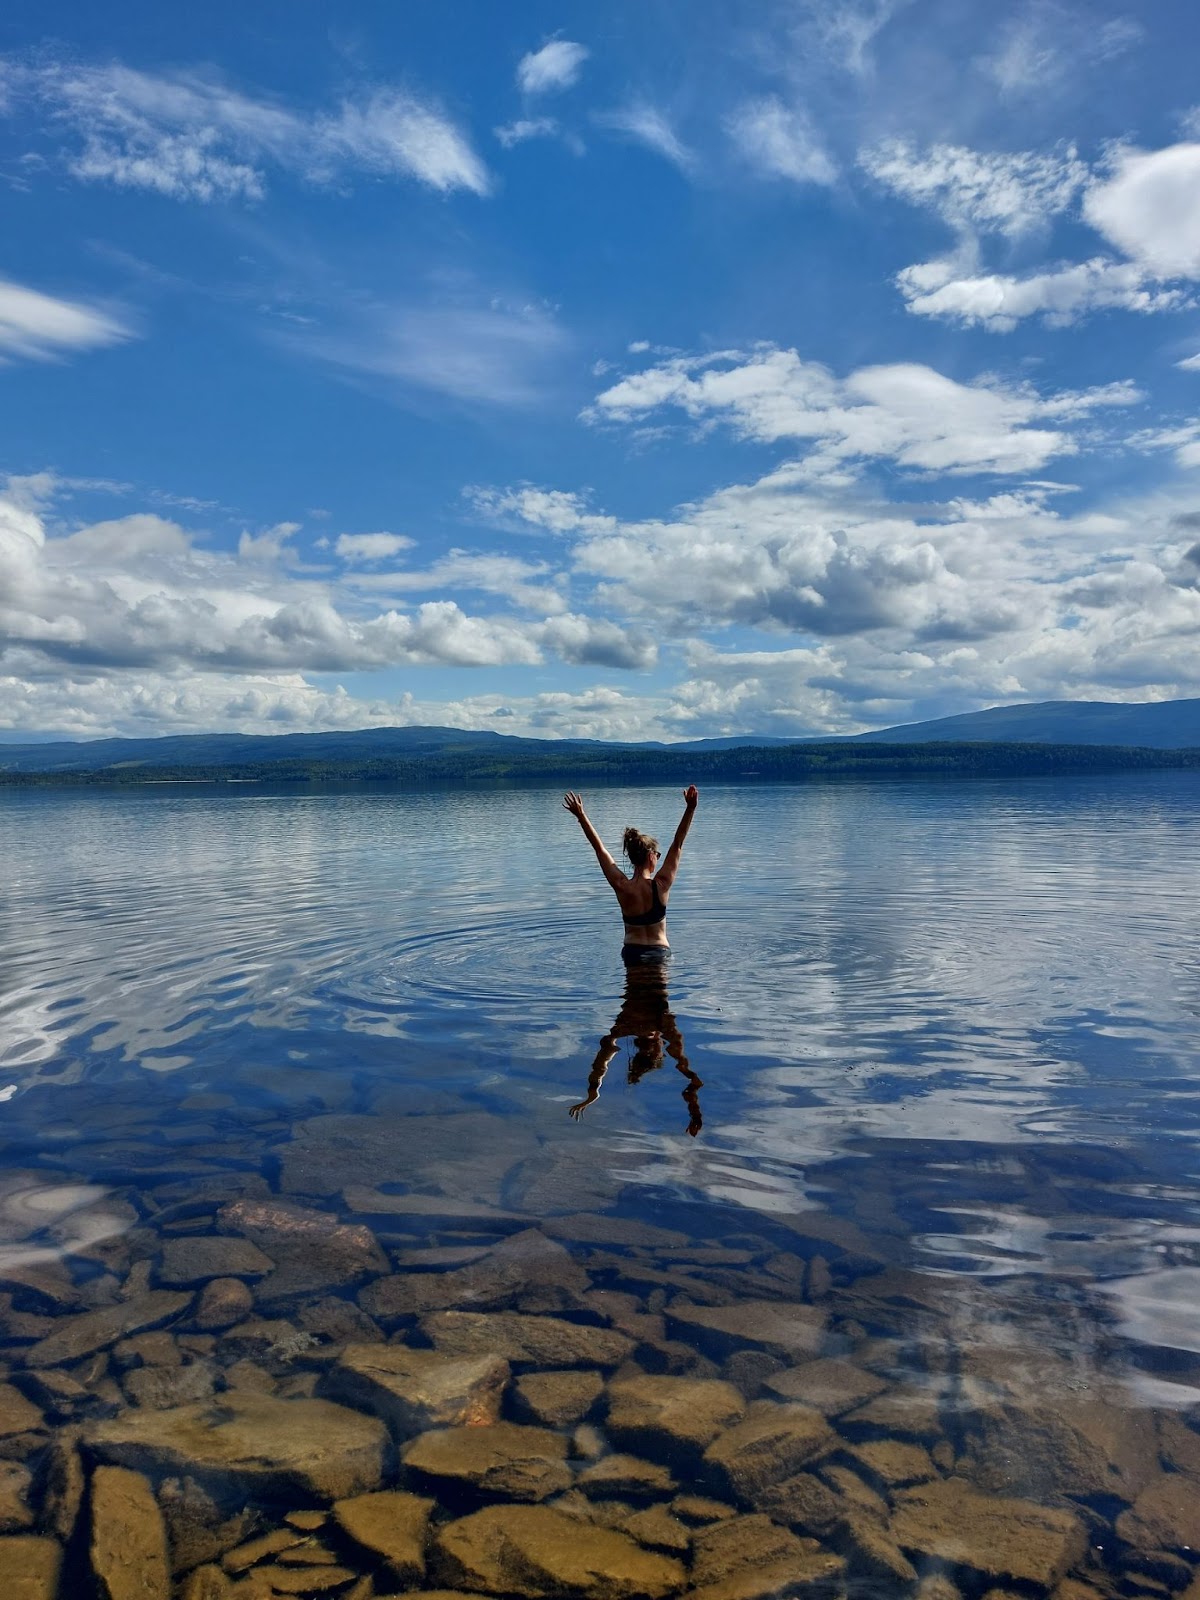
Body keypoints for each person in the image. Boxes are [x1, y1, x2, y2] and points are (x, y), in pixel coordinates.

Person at [562, 785, 698, 965]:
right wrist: (690, 808)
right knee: (658, 994)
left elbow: (599, 848)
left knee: (632, 994)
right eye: (657, 855)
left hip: (632, 953)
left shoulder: (621, 886)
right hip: (659, 953)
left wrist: (581, 816)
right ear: (651, 856)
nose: (658, 858)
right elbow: (678, 843)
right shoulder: (662, 884)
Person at [569, 960, 704, 1136]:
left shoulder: (663, 1027)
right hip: (636, 953)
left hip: (654, 953)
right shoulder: (627, 1028)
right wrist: (593, 1092)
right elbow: (600, 1065)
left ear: (659, 1049)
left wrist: (695, 1114)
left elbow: (694, 1082)